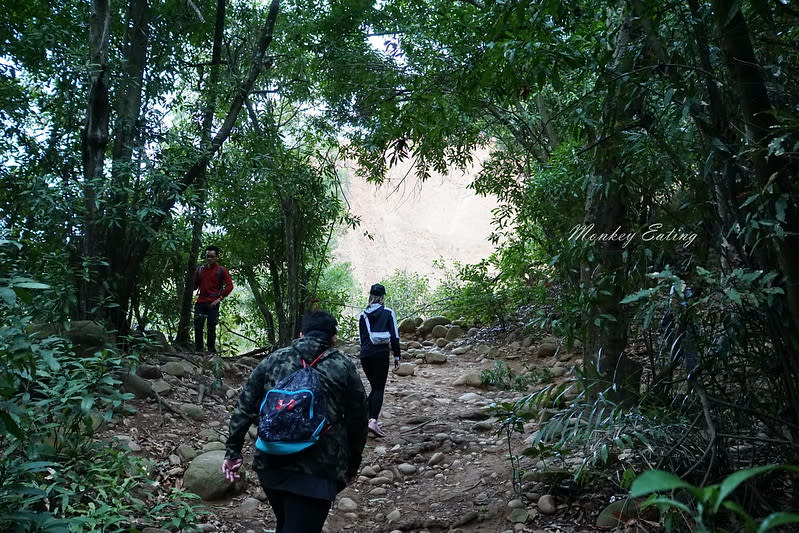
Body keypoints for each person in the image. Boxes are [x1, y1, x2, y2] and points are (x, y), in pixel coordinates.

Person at [222, 311, 368, 533]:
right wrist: (352, 465)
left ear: (301, 334)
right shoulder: (343, 366)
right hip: (319, 470)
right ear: (333, 338)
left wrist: (233, 452)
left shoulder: (274, 359)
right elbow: (359, 419)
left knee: (287, 523)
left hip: (271, 464)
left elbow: (244, 406)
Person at [358, 283, 401, 438]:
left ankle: (366, 419)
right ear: (383, 297)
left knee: (373, 387)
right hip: (380, 354)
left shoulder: (363, 315)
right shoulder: (388, 312)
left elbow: (362, 339)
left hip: (365, 355)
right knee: (378, 388)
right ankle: (373, 421)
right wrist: (397, 355)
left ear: (370, 296)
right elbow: (395, 336)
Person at [192, 245, 233, 354]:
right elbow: (194, 286)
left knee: (211, 327)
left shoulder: (221, 270)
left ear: (216, 257)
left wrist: (220, 298)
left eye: (211, 256)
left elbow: (230, 286)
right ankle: (198, 350)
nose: (209, 258)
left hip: (213, 303)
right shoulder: (200, 270)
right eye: (207, 256)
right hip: (200, 302)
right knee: (198, 326)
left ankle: (211, 351)